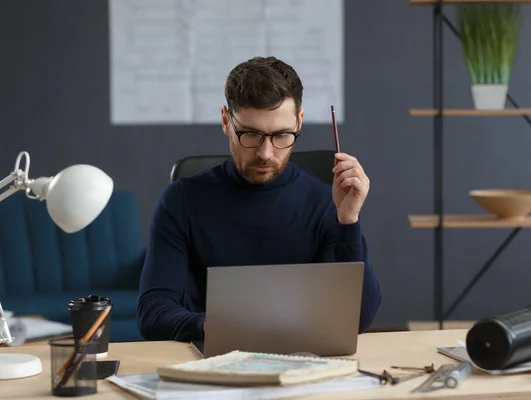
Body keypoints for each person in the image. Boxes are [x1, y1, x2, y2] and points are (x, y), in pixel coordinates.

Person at [137, 56, 382, 342]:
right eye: (251, 134)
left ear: (299, 122)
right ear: (227, 121)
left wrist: (348, 222)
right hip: (212, 360)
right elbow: (153, 313)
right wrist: (216, 328)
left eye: (281, 135)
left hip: (304, 358)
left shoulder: (325, 202)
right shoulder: (181, 201)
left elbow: (358, 320)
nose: (266, 153)